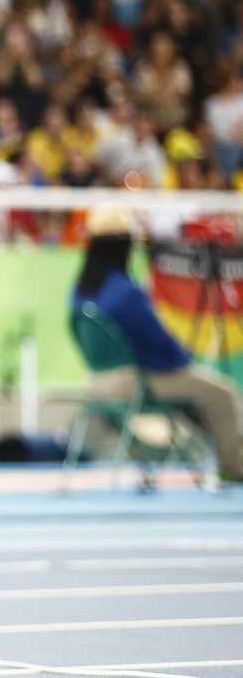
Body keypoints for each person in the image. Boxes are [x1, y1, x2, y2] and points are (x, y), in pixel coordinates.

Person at [72, 205, 242, 484]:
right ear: (125, 247)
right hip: (136, 384)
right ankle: (233, 469)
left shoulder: (78, 294)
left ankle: (197, 455)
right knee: (223, 394)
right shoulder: (126, 292)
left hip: (96, 382)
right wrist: (185, 360)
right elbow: (160, 348)